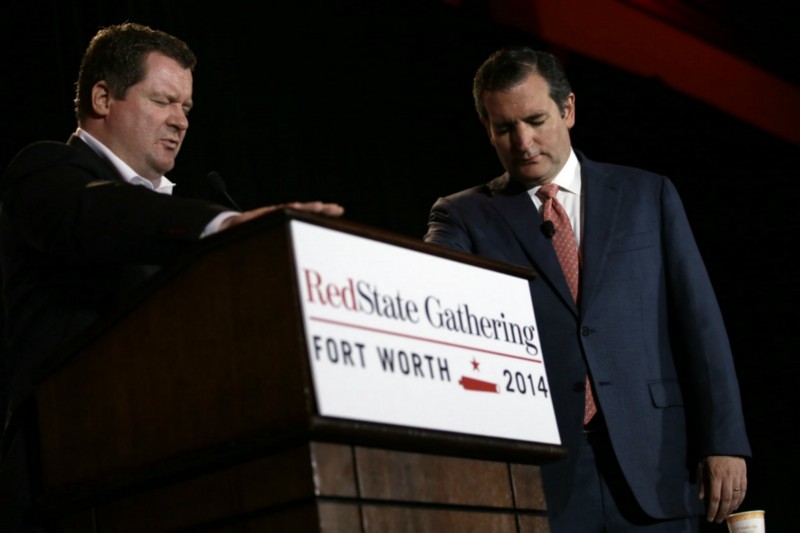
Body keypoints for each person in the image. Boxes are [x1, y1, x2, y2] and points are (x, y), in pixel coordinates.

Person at [0, 22, 343, 531]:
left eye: (186, 107)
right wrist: (224, 226)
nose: (180, 121)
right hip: (64, 482)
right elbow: (103, 214)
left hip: (175, 477)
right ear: (103, 97)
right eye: (163, 101)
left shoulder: (171, 208)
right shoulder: (47, 171)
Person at [424, 46, 750, 531]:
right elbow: (425, 286)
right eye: (505, 128)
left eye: (536, 120)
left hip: (655, 459)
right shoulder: (463, 215)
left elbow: (699, 323)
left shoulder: (647, 195)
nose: (524, 141)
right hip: (545, 471)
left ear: (568, 109)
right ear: (486, 128)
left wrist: (724, 440)